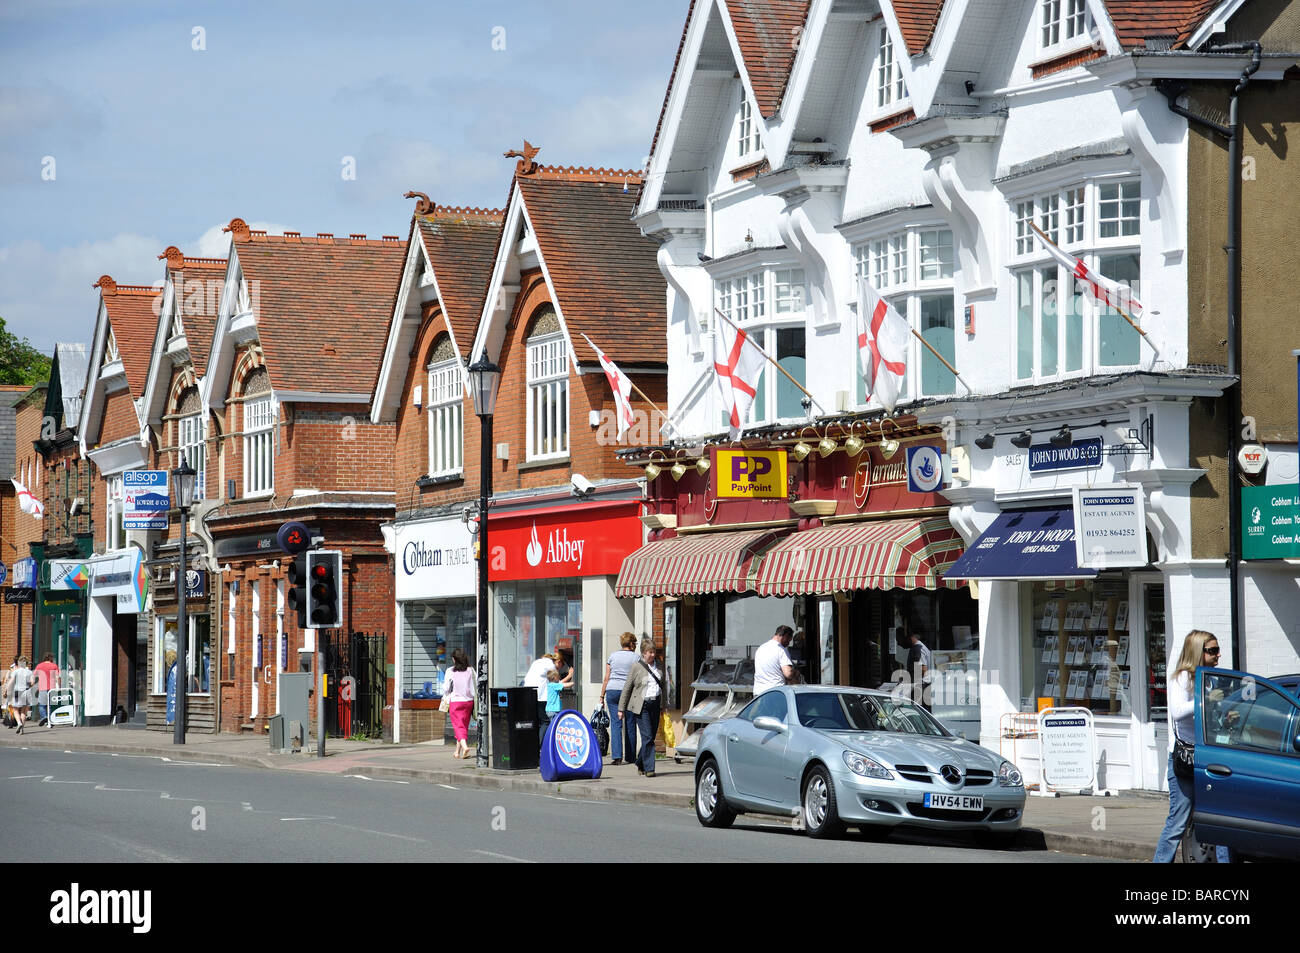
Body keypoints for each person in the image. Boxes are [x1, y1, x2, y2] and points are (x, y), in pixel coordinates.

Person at [1153, 630, 1231, 863]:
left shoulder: (1210, 679)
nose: (1218, 655)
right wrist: (1205, 701)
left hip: (1208, 757)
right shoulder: (1182, 679)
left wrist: (1226, 718)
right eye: (1213, 650)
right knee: (1178, 820)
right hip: (1185, 760)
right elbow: (1178, 712)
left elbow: (1208, 719)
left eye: (1218, 649)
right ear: (1199, 651)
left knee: (1219, 819)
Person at [618, 638, 665, 777]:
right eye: (649, 652)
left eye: (653, 652)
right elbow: (627, 688)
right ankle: (650, 769)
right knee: (648, 737)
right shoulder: (636, 666)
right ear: (643, 653)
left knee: (649, 738)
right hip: (641, 705)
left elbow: (663, 686)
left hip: (655, 704)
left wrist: (663, 705)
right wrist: (621, 709)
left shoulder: (659, 665)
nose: (652, 655)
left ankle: (640, 762)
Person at [600, 632, 639, 764]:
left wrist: (601, 696)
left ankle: (617, 757)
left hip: (612, 691)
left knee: (616, 724)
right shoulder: (636, 657)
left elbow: (606, 677)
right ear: (632, 644)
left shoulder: (612, 656)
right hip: (627, 692)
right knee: (630, 723)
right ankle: (631, 756)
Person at [442, 649, 476, 759]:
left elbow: (446, 688)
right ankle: (457, 751)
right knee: (463, 726)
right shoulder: (471, 670)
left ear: (455, 659)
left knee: (458, 726)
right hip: (468, 702)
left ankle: (465, 747)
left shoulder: (450, 671)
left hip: (456, 702)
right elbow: (475, 687)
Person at [522, 652, 558, 743]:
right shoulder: (550, 663)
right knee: (545, 721)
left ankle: (533, 745)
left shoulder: (536, 662)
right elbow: (556, 680)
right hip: (540, 696)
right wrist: (569, 675)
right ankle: (539, 745)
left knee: (535, 721)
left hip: (528, 693)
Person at [753, 625, 795, 695]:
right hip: (775, 692)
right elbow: (788, 674)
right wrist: (795, 672)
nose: (788, 644)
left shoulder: (761, 648)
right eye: (788, 640)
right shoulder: (781, 650)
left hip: (758, 692)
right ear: (785, 636)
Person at [903, 631, 933, 711]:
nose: (899, 643)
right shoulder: (920, 647)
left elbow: (924, 670)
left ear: (909, 638)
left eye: (900, 640)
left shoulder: (917, 648)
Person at [542, 666, 574, 739]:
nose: (559, 678)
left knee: (555, 726)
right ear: (554, 678)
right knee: (555, 727)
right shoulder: (553, 685)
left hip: (552, 710)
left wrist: (570, 675)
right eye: (558, 676)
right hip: (553, 710)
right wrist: (577, 682)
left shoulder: (551, 685)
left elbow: (561, 682)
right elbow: (565, 685)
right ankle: (552, 740)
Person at [8, 657, 33, 735]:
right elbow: (32, 683)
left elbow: (11, 682)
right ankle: (22, 729)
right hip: (26, 691)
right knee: (23, 711)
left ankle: (19, 723)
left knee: (15, 710)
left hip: (17, 691)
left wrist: (6, 691)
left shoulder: (16, 671)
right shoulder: (29, 672)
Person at [34, 654, 60, 727]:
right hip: (52, 688)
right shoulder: (54, 666)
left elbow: (34, 676)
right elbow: (58, 677)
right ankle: (50, 720)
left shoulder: (39, 666)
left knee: (42, 705)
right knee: (51, 705)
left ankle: (44, 717)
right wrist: (59, 687)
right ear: (51, 658)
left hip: (42, 688)